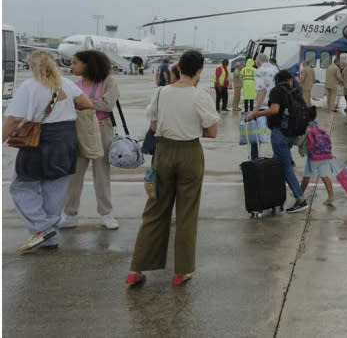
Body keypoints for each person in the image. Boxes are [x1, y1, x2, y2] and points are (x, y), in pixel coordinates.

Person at [127, 50, 219, 287]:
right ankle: (181, 271)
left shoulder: (160, 93)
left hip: (163, 152)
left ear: (178, 68)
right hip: (189, 153)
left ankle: (136, 268)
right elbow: (211, 131)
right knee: (187, 213)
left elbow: (154, 123)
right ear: (199, 71)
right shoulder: (200, 96)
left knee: (155, 209)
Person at [3, 52, 93, 252]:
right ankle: (50, 239)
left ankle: (42, 228)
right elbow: (87, 103)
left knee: (22, 186)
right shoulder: (66, 83)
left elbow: (14, 119)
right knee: (56, 188)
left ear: (33, 67)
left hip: (39, 142)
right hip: (66, 141)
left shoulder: (29, 86)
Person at [62, 50, 121, 230]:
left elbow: (108, 104)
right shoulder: (75, 84)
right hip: (78, 130)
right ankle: (70, 214)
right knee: (75, 174)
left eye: (75, 62)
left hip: (101, 129)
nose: (72, 66)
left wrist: (82, 102)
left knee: (102, 173)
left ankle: (106, 213)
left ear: (87, 65)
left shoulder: (109, 82)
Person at [246, 70, 308, 213]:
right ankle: (272, 197)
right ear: (290, 80)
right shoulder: (295, 92)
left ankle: (300, 199)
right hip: (293, 134)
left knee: (285, 167)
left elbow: (274, 110)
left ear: (277, 80)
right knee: (275, 164)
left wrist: (256, 114)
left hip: (280, 134)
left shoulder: (277, 91)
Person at [299, 107, 337, 206]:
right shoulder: (317, 125)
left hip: (314, 158)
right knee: (324, 176)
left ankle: (298, 194)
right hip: (324, 155)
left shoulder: (307, 129)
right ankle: (331, 196)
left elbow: (300, 142)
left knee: (306, 177)